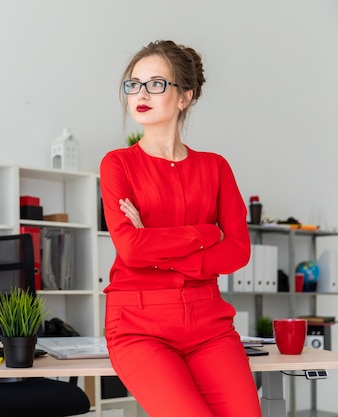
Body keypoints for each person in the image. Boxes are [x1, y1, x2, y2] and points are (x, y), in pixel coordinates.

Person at [99, 40, 262, 417]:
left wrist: (158, 250)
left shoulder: (215, 167)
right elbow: (132, 250)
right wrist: (205, 234)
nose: (141, 94)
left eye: (156, 84)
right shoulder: (118, 165)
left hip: (210, 324)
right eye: (133, 84)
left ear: (185, 97)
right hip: (139, 326)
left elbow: (237, 251)